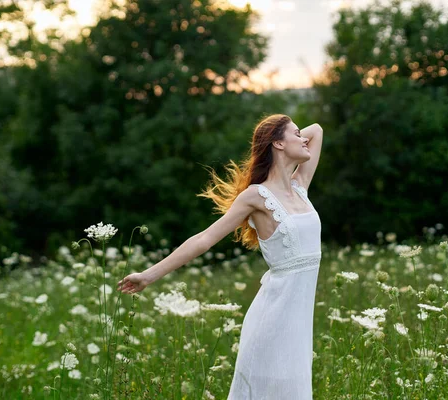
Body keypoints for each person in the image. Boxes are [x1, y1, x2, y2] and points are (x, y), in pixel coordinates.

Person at [117, 114, 323, 399]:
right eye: (295, 134)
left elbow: (318, 130)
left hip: (299, 325)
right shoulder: (256, 196)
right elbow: (204, 239)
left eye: (301, 134)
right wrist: (148, 275)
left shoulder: (301, 187)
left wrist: (290, 131)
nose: (304, 138)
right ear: (277, 143)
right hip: (272, 320)